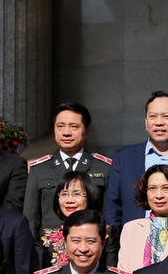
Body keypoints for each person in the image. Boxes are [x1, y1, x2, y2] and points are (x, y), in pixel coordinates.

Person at [103, 91, 168, 235]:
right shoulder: (124, 157)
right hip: (133, 243)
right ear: (146, 122)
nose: (159, 122)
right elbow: (112, 208)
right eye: (152, 116)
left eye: (166, 116)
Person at [24, 101, 112, 238]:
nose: (66, 133)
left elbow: (110, 218)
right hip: (49, 250)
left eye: (74, 127)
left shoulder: (104, 168)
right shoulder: (39, 169)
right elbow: (31, 218)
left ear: (86, 131)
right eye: (60, 126)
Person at [116, 165, 168, 273]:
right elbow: (123, 273)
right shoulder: (130, 228)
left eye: (166, 188)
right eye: (152, 188)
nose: (159, 195)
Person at [36, 171, 115, 270]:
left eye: (76, 194)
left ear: (90, 195)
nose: (69, 200)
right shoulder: (46, 235)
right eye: (64, 194)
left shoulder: (106, 233)